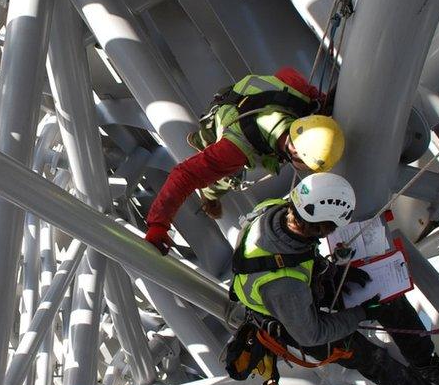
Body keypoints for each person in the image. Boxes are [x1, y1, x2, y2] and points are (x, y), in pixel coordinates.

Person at [229, 173, 439, 385]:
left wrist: (334, 274)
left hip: (300, 290)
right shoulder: (284, 285)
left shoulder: (273, 210)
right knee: (373, 360)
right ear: (322, 227)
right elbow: (312, 333)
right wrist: (360, 313)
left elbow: (296, 254)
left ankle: (426, 364)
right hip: (291, 320)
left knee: (387, 299)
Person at [144, 67, 343, 255]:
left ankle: (205, 146)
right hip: (230, 121)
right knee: (224, 177)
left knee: (219, 166)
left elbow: (286, 73)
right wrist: (158, 224)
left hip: (246, 99)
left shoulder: (298, 94)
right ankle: (206, 159)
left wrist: (320, 99)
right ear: (296, 154)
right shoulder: (238, 148)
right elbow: (186, 174)